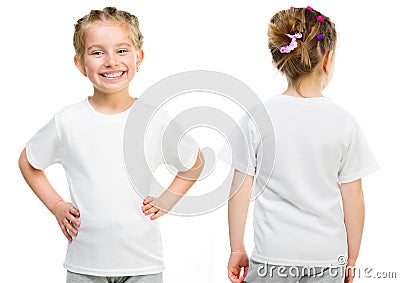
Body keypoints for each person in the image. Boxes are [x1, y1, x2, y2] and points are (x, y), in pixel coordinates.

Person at [18, 7, 202, 283]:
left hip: (143, 264)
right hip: (85, 265)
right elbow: (28, 162)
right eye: (97, 52)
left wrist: (168, 198)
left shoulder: (154, 119)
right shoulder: (67, 121)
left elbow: (194, 162)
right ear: (80, 64)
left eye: (121, 51)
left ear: (138, 58)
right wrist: (56, 205)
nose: (111, 61)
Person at [227, 6, 379, 283]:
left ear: (278, 60)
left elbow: (239, 190)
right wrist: (352, 257)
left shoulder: (256, 118)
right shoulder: (344, 122)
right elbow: (354, 198)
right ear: (328, 60)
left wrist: (237, 247)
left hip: (272, 256)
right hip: (327, 257)